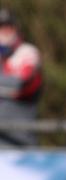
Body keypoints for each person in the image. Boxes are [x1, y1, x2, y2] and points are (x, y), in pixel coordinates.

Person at [0, 8, 42, 147]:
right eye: (1, 27)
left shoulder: (27, 52)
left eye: (8, 27)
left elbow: (22, 85)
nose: (4, 32)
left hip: (22, 144)